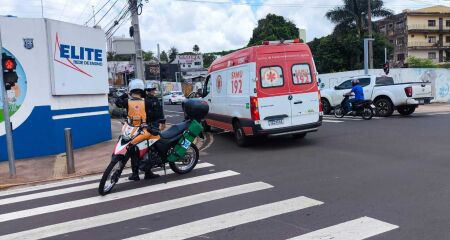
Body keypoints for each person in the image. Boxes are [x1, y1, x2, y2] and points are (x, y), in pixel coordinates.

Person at [115, 79, 161, 181]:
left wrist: (125, 94)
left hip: (131, 130)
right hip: (144, 130)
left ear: (131, 90)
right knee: (147, 149)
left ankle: (135, 174)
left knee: (132, 151)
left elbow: (117, 102)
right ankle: (148, 172)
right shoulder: (147, 102)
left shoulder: (127, 101)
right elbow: (154, 115)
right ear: (142, 90)